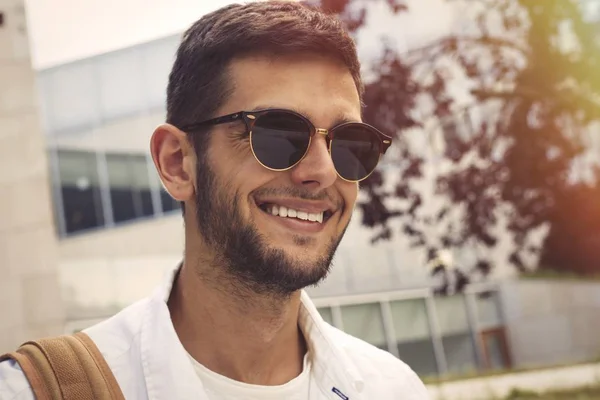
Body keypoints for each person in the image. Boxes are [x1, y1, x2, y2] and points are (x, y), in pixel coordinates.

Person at [0, 1, 429, 399]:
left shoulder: (393, 388)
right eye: (278, 134)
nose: (321, 171)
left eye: (350, 142)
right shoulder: (36, 391)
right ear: (177, 163)